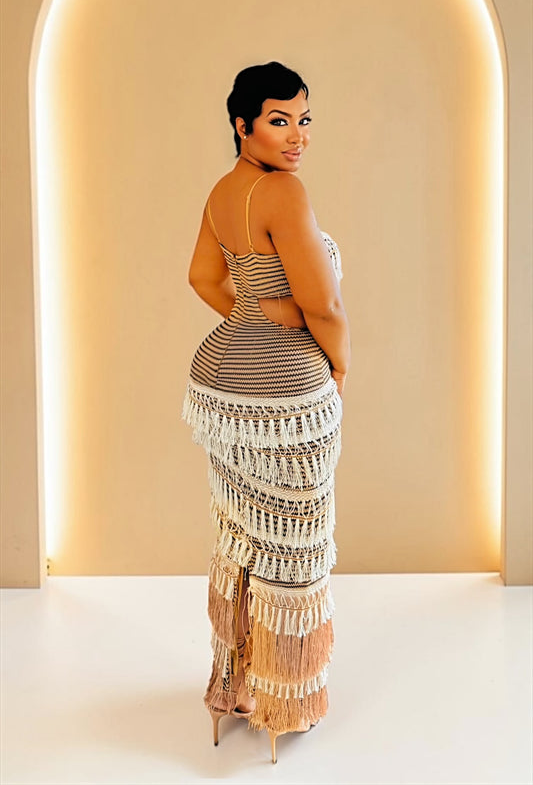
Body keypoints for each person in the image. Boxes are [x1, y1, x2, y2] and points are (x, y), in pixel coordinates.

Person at [182, 61, 350, 763]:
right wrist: (339, 362)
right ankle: (281, 699)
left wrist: (251, 312)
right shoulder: (283, 192)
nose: (296, 135)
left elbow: (203, 276)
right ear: (242, 124)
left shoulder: (224, 191)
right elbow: (323, 303)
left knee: (243, 536)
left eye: (303, 119)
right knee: (294, 543)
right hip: (284, 395)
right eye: (279, 120)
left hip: (219, 389)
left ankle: (234, 687)